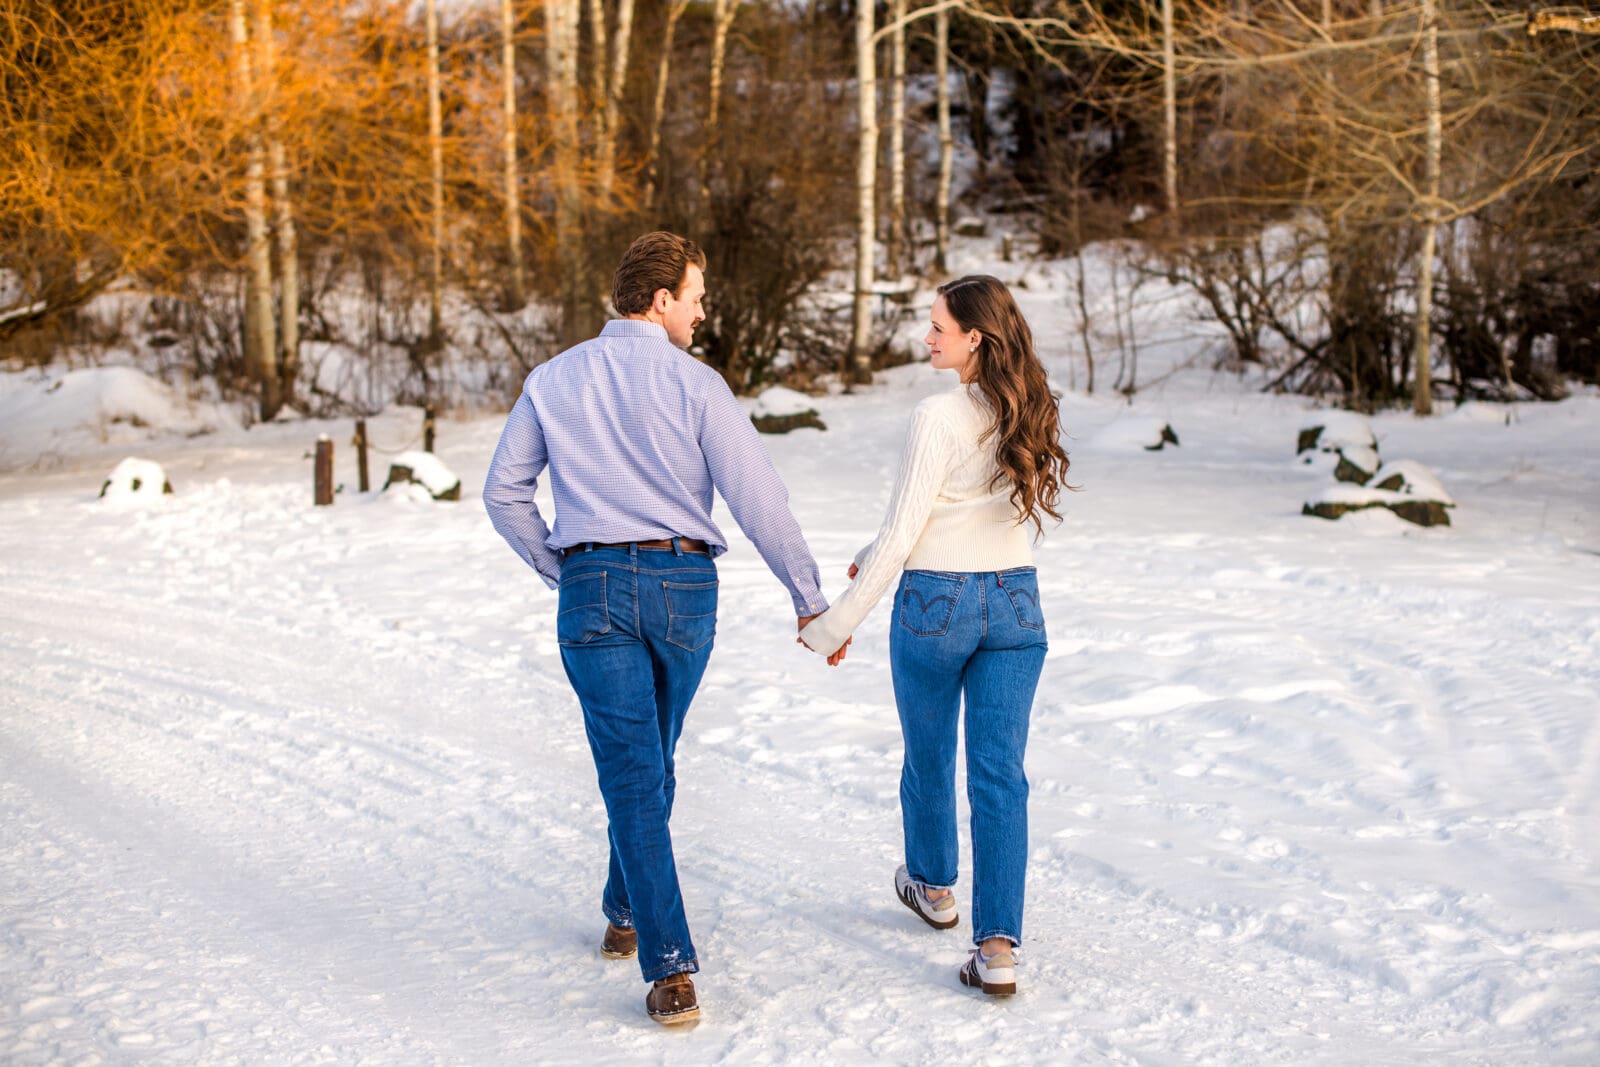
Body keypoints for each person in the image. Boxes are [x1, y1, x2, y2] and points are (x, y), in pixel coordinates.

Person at [483, 231, 835, 1026]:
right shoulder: (696, 385)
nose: (703, 314)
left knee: (645, 766)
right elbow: (758, 497)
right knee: (643, 768)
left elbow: (503, 492)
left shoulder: (554, 377)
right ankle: (669, 965)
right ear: (661, 298)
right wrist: (808, 597)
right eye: (697, 298)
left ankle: (623, 902)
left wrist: (560, 566)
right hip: (682, 589)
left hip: (594, 588)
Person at [798, 274, 1069, 997]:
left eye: (938, 326)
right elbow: (950, 516)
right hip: (1015, 603)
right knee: (1000, 776)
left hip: (936, 604)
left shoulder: (937, 415)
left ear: (974, 337)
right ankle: (999, 948)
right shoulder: (1033, 407)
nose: (927, 336)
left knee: (928, 754)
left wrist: (834, 624)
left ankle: (934, 887)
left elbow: (908, 530)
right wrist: (875, 549)